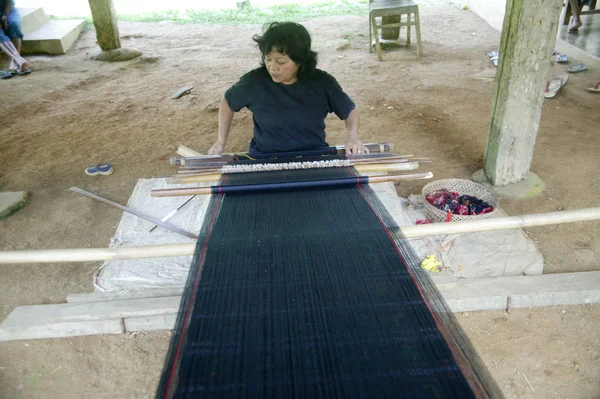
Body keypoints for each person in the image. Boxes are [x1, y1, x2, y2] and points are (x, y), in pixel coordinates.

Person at [207, 22, 368, 156]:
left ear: (300, 60)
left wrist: (352, 136)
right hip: (265, 159)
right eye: (268, 59)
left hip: (313, 157)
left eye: (281, 62)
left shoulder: (322, 83)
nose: (272, 67)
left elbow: (349, 111)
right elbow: (228, 102)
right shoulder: (254, 82)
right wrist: (220, 142)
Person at [1, 0, 30, 75]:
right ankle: (18, 60)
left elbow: (9, 2)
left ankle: (14, 62)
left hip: (8, 11)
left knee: (14, 24)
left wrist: (5, 16)